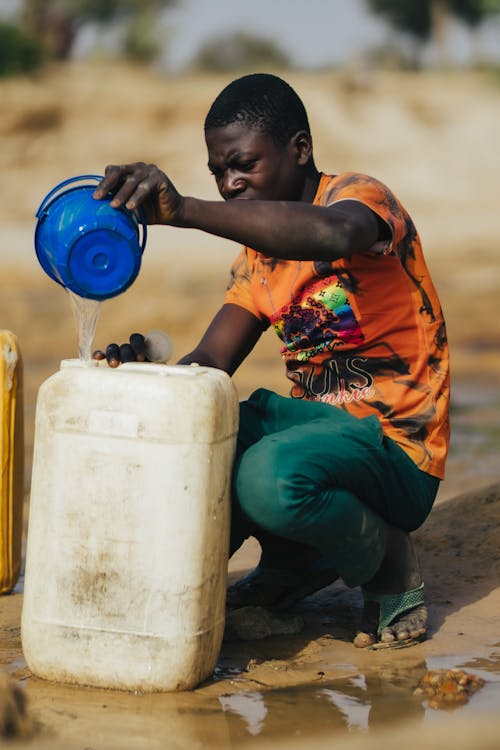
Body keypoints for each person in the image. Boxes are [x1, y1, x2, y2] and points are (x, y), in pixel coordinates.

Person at [93, 73, 450, 649]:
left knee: (267, 477)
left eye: (243, 165)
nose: (230, 184)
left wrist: (184, 209)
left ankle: (388, 561)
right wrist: (142, 373)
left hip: (395, 451)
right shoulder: (257, 262)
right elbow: (209, 362)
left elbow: (333, 236)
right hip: (323, 441)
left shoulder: (357, 199)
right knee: (203, 435)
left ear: (299, 149)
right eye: (217, 173)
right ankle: (295, 562)